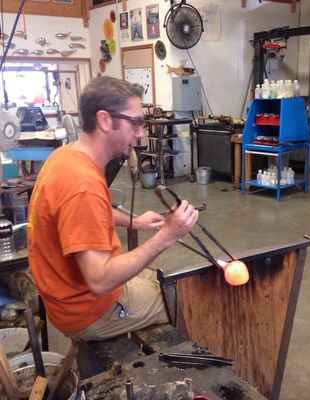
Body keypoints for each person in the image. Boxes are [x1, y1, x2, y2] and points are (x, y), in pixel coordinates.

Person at [27, 76, 198, 342]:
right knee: (187, 299)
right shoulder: (82, 184)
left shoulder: (67, 156)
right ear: (105, 120)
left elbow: (85, 215)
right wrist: (167, 235)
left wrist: (135, 222)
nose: (140, 133)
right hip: (90, 311)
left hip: (67, 295)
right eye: (135, 123)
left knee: (165, 279)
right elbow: (100, 281)